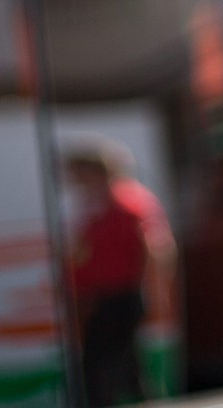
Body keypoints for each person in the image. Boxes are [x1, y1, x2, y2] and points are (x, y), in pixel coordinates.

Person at [64, 141, 174, 407]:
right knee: (126, 368)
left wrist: (158, 290)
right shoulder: (93, 206)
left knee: (100, 368)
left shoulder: (126, 203)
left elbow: (156, 248)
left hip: (120, 297)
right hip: (101, 299)